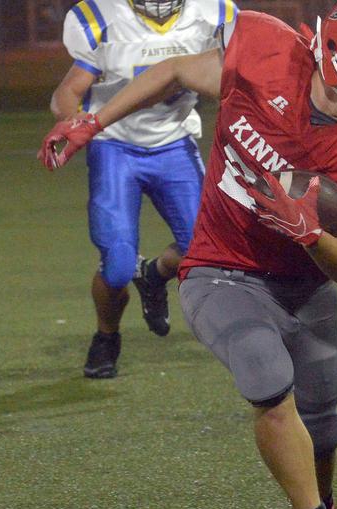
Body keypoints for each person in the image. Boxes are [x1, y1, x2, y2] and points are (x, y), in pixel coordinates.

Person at [39, 1, 337, 509]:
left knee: (322, 423)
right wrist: (91, 121)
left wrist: (309, 234)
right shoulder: (268, 54)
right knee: (268, 379)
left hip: (305, 285)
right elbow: (174, 69)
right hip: (220, 266)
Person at [45, 0, 236, 379]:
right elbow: (69, 90)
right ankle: (107, 335)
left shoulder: (214, 12)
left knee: (208, 249)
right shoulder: (104, 15)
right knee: (116, 267)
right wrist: (74, 120)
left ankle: (153, 275)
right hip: (114, 145)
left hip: (174, 143)